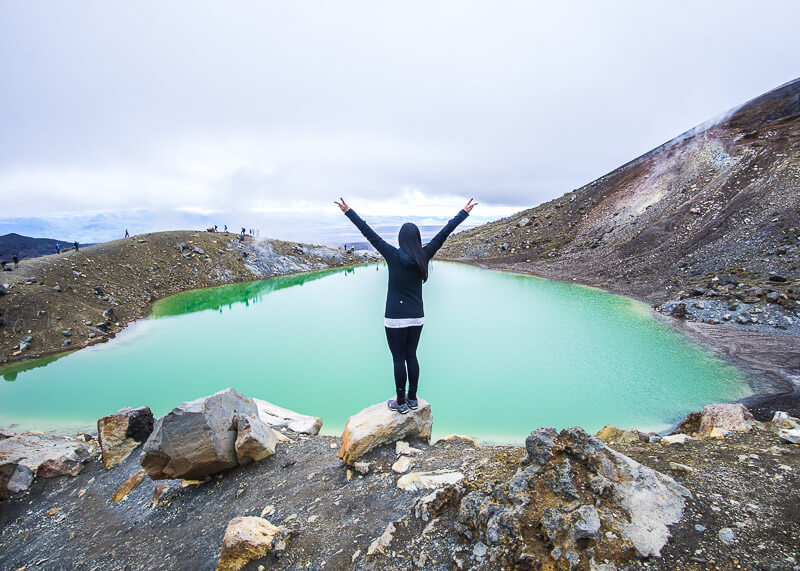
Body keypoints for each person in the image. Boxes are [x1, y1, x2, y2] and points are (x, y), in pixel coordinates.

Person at [335, 197, 478, 414]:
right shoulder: (425, 254)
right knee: (412, 355)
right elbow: (444, 233)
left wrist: (348, 211)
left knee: (398, 358)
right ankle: (412, 398)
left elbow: (369, 233)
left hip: (394, 317)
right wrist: (463, 213)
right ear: (418, 239)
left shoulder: (392, 255)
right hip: (417, 317)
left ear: (401, 239)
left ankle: (400, 401)